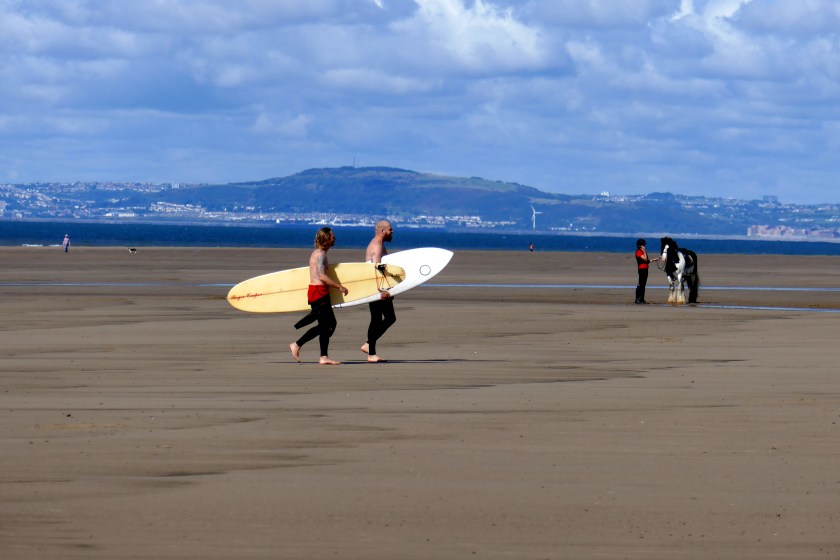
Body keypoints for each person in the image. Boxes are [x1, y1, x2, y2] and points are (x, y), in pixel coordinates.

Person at [289, 227, 349, 365]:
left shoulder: (319, 253)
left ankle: (323, 356)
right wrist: (339, 286)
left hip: (319, 291)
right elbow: (322, 276)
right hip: (318, 292)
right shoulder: (320, 255)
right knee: (328, 325)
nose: (334, 238)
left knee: (327, 325)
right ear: (326, 239)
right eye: (332, 236)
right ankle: (297, 344)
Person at [361, 220, 396, 363]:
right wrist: (382, 290)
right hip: (376, 288)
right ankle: (370, 349)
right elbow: (376, 267)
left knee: (383, 318)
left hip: (376, 287)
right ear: (383, 231)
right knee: (382, 319)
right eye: (390, 229)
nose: (392, 232)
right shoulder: (376, 245)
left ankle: (370, 347)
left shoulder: (379, 244)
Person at [634, 238, 657, 304]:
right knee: (641, 284)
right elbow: (645, 259)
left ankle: (642, 299)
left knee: (643, 285)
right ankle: (638, 299)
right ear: (640, 246)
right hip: (642, 269)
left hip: (645, 269)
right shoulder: (639, 252)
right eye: (643, 245)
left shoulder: (643, 252)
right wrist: (644, 251)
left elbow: (647, 261)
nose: (644, 246)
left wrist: (654, 260)